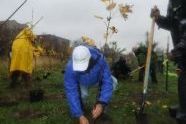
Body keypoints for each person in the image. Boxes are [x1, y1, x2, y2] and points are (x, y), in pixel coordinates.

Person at [151, 1, 186, 121]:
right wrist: (158, 18)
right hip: (183, 51)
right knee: (182, 77)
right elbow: (172, 23)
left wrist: (178, 50)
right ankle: (183, 106)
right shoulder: (173, 2)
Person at [64, 45, 117, 124]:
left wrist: (101, 103)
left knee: (113, 82)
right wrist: (80, 115)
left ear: (89, 58)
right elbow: (71, 91)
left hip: (97, 80)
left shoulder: (100, 60)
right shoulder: (70, 67)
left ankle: (101, 108)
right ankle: (80, 111)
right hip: (82, 82)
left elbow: (107, 81)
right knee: (82, 96)